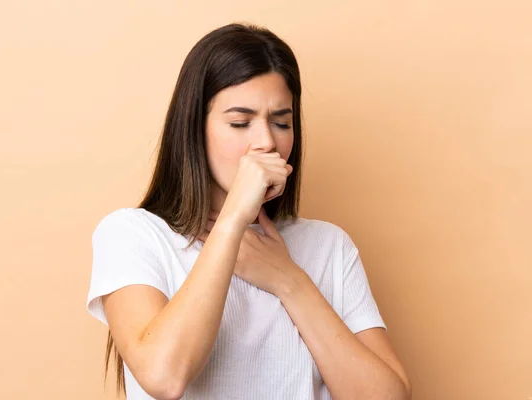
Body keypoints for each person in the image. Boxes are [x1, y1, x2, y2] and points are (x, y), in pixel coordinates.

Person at [86, 22, 412, 400]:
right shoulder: (132, 235)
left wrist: (289, 280)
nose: (266, 142)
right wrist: (231, 222)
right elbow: (164, 377)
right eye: (240, 122)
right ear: (194, 128)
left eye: (281, 122)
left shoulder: (328, 245)